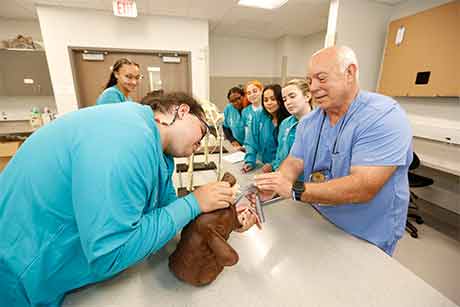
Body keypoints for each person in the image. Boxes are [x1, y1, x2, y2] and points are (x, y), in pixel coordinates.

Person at [0, 92, 235, 306]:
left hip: (54, 269)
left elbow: (165, 210)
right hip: (21, 274)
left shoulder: (157, 152)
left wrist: (220, 213)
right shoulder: (126, 138)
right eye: (203, 130)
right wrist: (193, 202)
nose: (202, 143)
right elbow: (110, 254)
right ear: (181, 111)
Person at [254, 46, 413, 256]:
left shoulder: (383, 117)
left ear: (350, 73)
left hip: (367, 232)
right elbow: (294, 162)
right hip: (320, 219)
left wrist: (295, 189)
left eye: (321, 78)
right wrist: (275, 183)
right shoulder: (309, 123)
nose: (313, 88)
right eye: (310, 81)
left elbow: (364, 187)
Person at [242, 84, 290, 173]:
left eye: (273, 99)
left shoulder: (288, 121)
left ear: (281, 100)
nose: (269, 103)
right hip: (262, 164)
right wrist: (249, 160)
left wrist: (273, 164)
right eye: (265, 100)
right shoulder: (259, 116)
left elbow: (287, 151)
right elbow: (251, 141)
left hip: (283, 168)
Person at [272, 79, 313, 172]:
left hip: (306, 182)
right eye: (284, 99)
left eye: (292, 96)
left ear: (307, 96)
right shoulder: (285, 123)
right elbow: (280, 153)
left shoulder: (319, 124)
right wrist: (277, 171)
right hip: (284, 177)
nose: (288, 102)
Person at [223, 86, 246, 151]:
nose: (236, 102)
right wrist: (232, 140)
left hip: (251, 146)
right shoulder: (228, 109)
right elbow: (225, 127)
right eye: (232, 101)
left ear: (243, 96)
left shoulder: (249, 109)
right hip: (237, 146)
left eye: (238, 98)